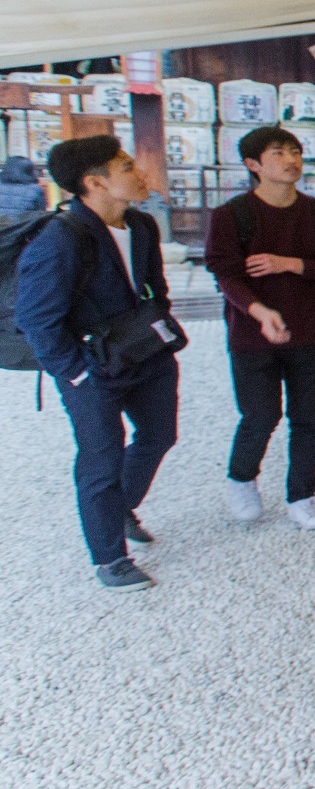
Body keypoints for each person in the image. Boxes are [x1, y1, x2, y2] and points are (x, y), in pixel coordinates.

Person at [16, 136, 180, 590]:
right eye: (126, 166)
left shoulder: (142, 225)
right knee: (101, 459)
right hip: (90, 366)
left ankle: (119, 508)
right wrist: (77, 372)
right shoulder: (60, 239)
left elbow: (155, 288)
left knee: (160, 435)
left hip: (145, 354)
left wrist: (159, 328)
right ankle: (111, 559)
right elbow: (36, 318)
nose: (140, 171)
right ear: (94, 183)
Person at [205, 126, 315, 530]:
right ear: (254, 165)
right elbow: (224, 273)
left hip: (310, 328)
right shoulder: (231, 215)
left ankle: (302, 495)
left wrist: (290, 263)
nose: (291, 160)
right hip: (252, 334)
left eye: (295, 152)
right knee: (260, 415)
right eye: (278, 153)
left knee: (308, 417)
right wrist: (259, 311)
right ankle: (241, 479)